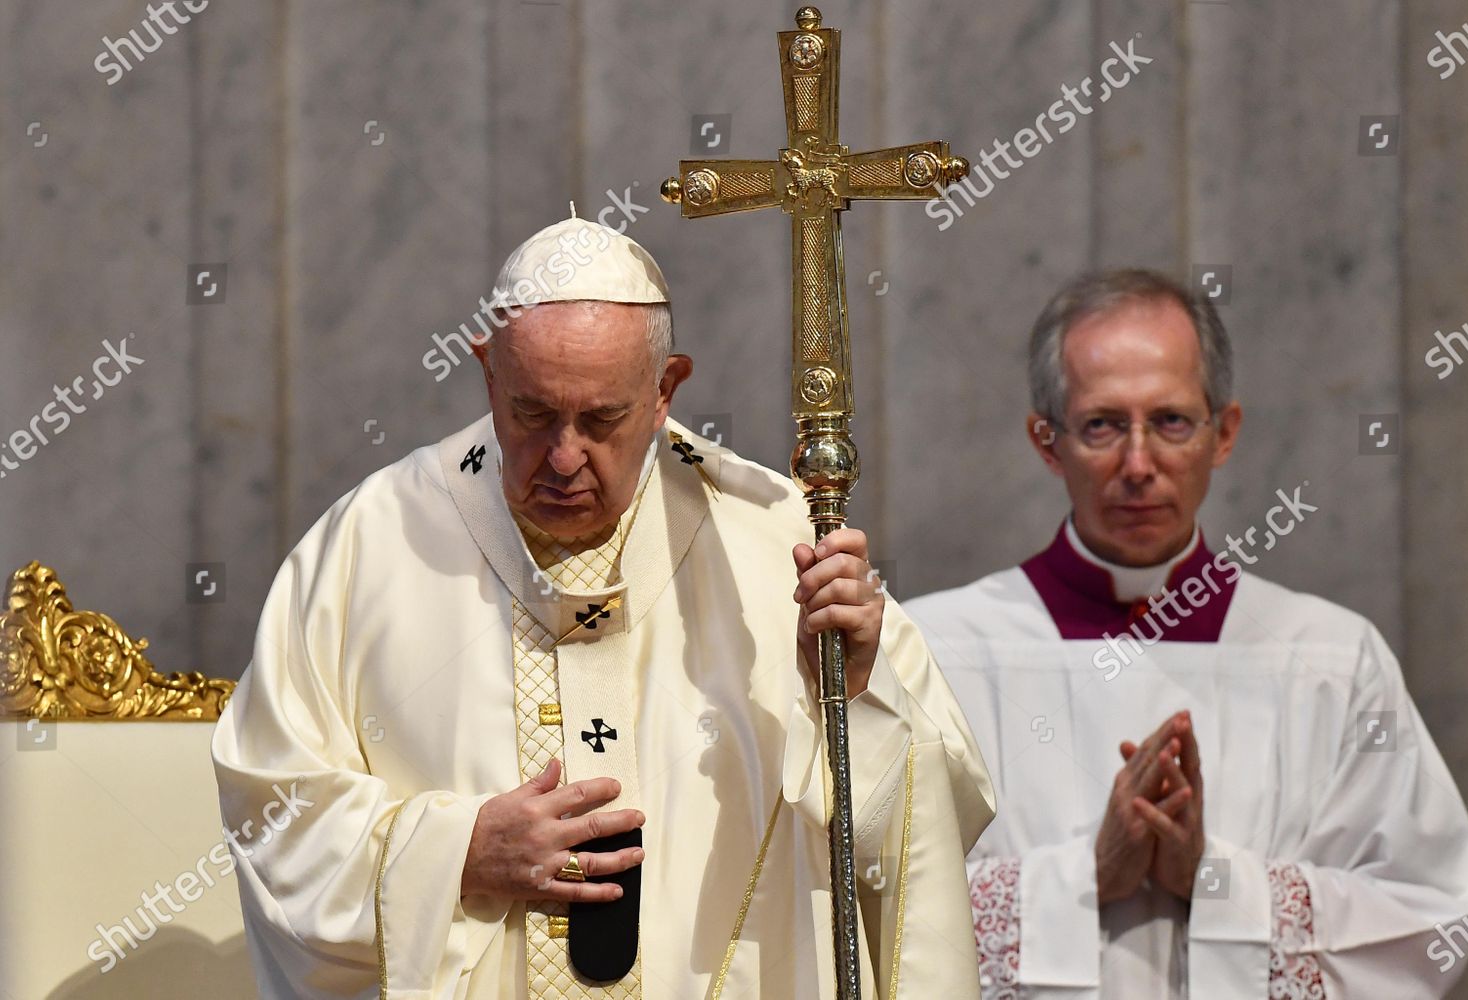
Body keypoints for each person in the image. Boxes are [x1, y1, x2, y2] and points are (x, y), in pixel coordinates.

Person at [211, 214, 995, 999]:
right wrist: (459, 852)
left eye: (600, 420)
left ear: (665, 391)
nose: (563, 456)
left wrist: (855, 691)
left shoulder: (773, 538)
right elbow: (271, 808)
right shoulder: (371, 543)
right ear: (487, 373)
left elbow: (941, 820)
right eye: (531, 413)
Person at [904, 269, 1468, 998]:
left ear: (1225, 433)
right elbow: (867, 911)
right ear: (1047, 443)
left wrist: (1212, 879)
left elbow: (1432, 914)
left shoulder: (1330, 658)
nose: (1139, 464)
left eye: (1172, 421)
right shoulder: (935, 650)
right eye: (1102, 425)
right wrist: (1085, 874)